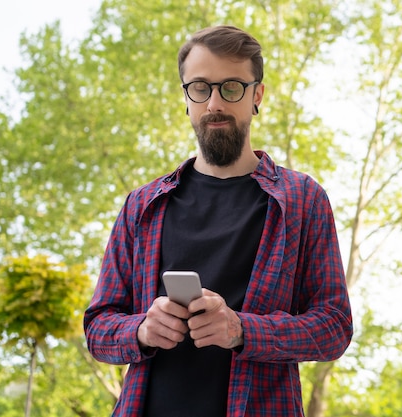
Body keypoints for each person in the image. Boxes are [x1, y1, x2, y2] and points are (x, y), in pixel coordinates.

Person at [84, 25, 353, 417]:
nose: (214, 103)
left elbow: (334, 327)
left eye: (231, 87)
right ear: (186, 97)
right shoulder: (142, 205)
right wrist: (141, 330)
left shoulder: (302, 200)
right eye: (200, 88)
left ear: (257, 94)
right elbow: (98, 329)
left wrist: (242, 330)